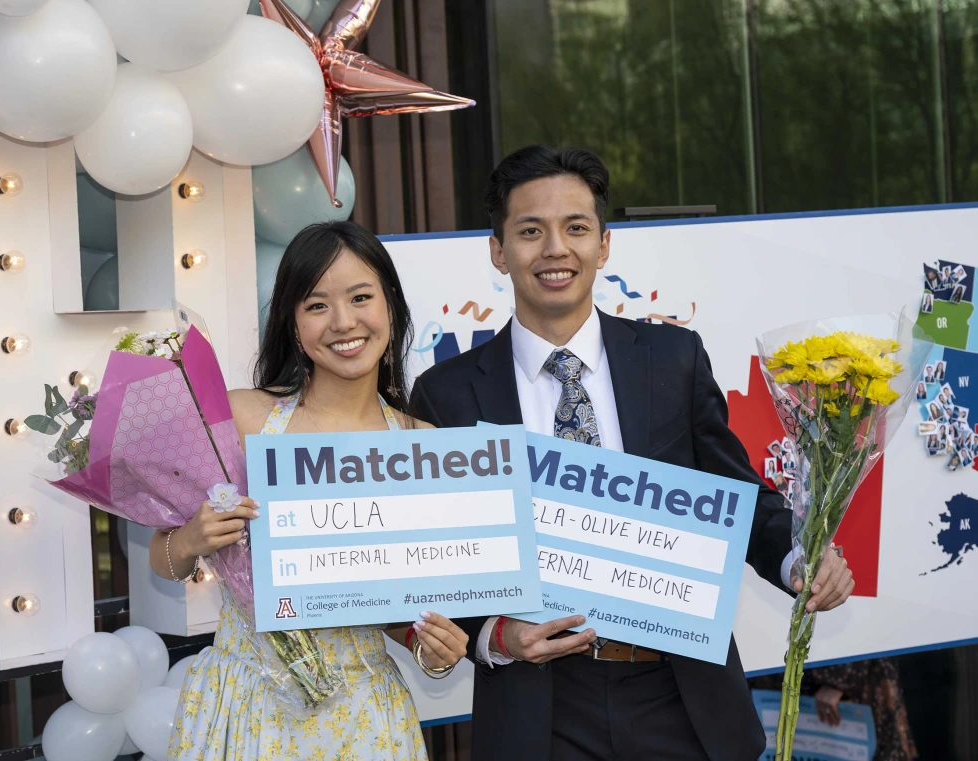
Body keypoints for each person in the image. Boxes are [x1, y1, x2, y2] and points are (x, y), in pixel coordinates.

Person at [409, 145, 854, 761]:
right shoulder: (446, 394)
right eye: (530, 231)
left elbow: (737, 496)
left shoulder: (672, 360)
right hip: (538, 704)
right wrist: (492, 637)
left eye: (576, 228)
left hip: (680, 690)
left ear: (605, 244)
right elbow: (434, 561)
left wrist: (798, 558)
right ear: (498, 250)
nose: (555, 250)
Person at [151, 221, 469, 761]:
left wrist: (434, 649)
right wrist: (189, 540)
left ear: (391, 305)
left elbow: (395, 603)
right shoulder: (241, 417)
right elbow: (163, 560)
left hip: (365, 719)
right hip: (245, 707)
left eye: (361, 297)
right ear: (292, 323)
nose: (343, 322)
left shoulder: (424, 446)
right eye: (317, 305)